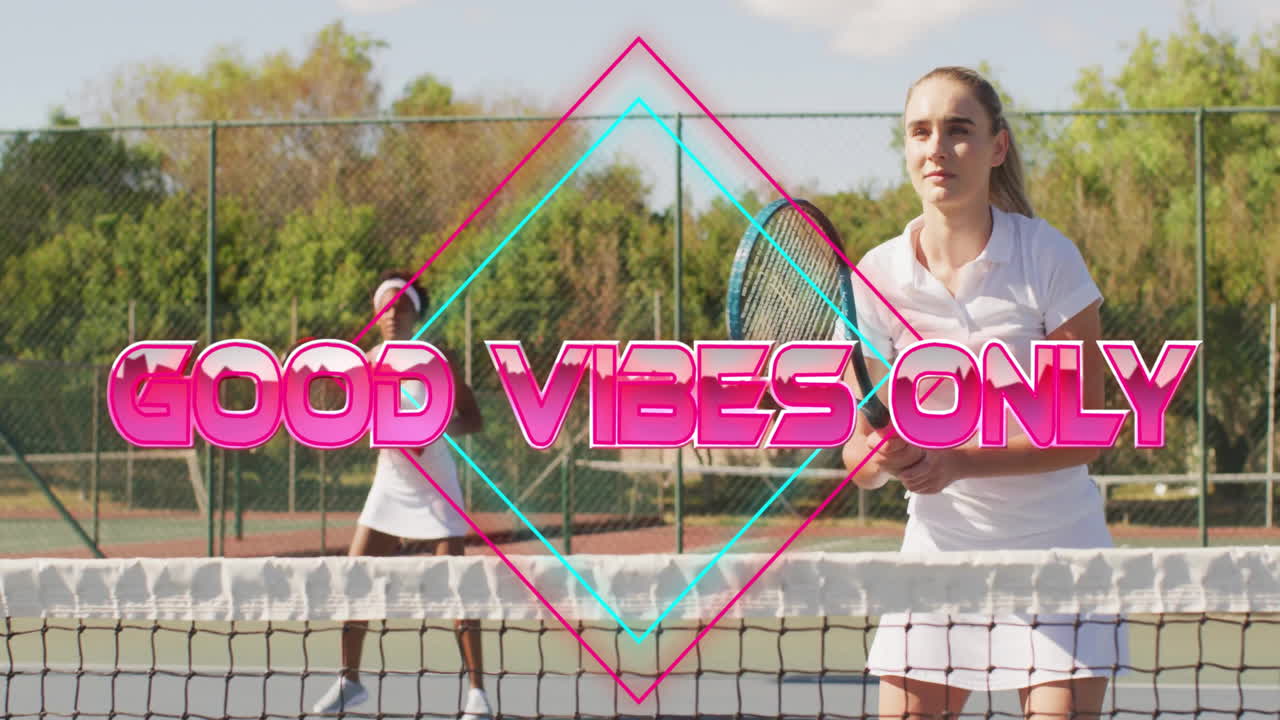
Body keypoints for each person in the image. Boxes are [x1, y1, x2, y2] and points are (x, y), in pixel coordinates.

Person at [840, 67, 1126, 719]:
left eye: (958, 130)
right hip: (939, 563)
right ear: (906, 147)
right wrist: (879, 460)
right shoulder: (874, 277)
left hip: (1060, 557)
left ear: (997, 146)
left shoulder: (1048, 258)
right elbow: (856, 459)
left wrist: (960, 460)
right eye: (920, 131)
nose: (937, 147)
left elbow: (1088, 429)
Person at [312, 270, 490, 718]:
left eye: (401, 307)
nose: (392, 314)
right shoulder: (366, 362)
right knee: (356, 577)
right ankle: (349, 682)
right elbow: (359, 423)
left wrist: (434, 424)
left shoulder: (437, 359)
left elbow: (473, 419)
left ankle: (477, 693)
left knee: (457, 587)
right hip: (390, 483)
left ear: (415, 314)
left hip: (436, 485)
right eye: (385, 307)